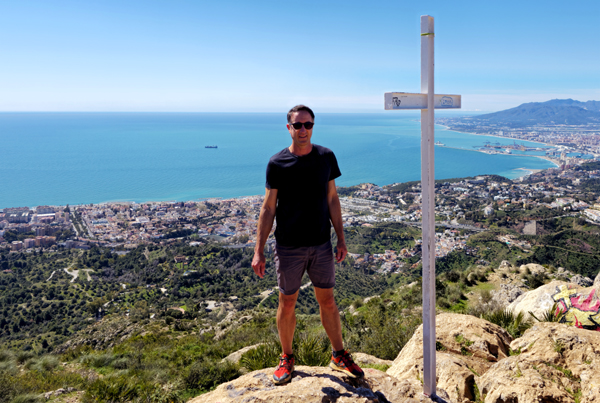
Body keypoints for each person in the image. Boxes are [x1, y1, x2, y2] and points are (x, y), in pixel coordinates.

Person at [251, 104, 364, 385]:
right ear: (288, 128)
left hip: (321, 244)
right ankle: (286, 357)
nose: (303, 130)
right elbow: (268, 208)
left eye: (308, 124)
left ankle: (338, 354)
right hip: (288, 246)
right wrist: (258, 251)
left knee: (328, 301)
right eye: (297, 125)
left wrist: (341, 238)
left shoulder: (326, 157)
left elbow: (332, 198)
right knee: (287, 302)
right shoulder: (277, 163)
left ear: (313, 126)